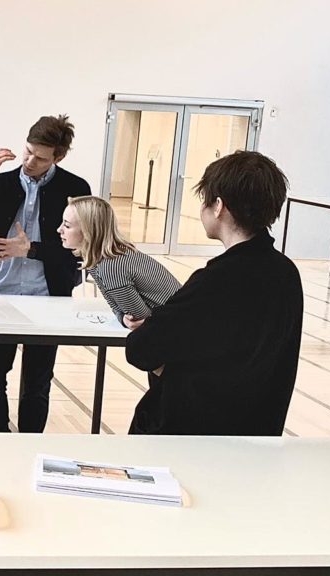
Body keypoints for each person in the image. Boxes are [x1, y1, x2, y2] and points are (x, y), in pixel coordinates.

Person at [124, 150, 303, 436]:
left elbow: (140, 349)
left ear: (219, 206)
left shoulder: (216, 280)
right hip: (258, 436)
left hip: (194, 437)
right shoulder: (286, 274)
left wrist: (153, 336)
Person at [0, 114, 91, 433]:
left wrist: (32, 250)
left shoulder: (76, 188)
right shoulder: (4, 182)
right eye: (27, 151)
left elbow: (78, 249)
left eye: (40, 158)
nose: (29, 161)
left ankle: (30, 442)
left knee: (37, 382)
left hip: (48, 296)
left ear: (58, 157)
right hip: (1, 291)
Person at [58, 196, 181, 325]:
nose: (59, 230)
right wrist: (122, 318)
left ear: (89, 231)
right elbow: (119, 309)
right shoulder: (104, 258)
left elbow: (138, 322)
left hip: (180, 327)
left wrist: (125, 318)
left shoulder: (111, 267)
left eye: (67, 225)